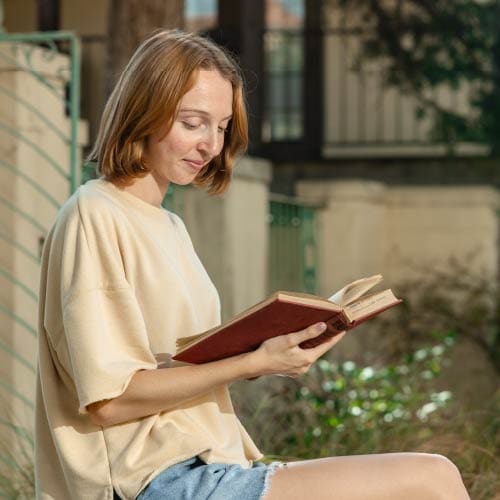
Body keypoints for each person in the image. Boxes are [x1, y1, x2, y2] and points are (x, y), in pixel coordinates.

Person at [35, 29, 470, 500]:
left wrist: (272, 352)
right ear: (145, 110)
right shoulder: (94, 214)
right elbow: (109, 401)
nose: (210, 145)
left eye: (221, 127)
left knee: (429, 477)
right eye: (193, 122)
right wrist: (251, 362)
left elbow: (173, 364)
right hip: (155, 480)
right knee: (431, 478)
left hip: (210, 462)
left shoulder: (169, 227)